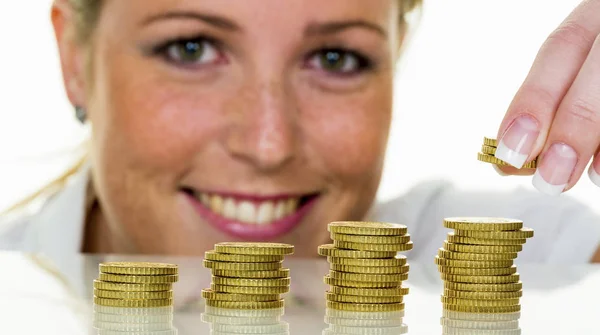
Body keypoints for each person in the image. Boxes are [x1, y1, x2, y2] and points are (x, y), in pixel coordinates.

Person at [1, 0, 600, 267]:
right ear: (74, 59)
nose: (269, 146)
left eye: (336, 58)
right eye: (192, 48)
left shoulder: (536, 264)